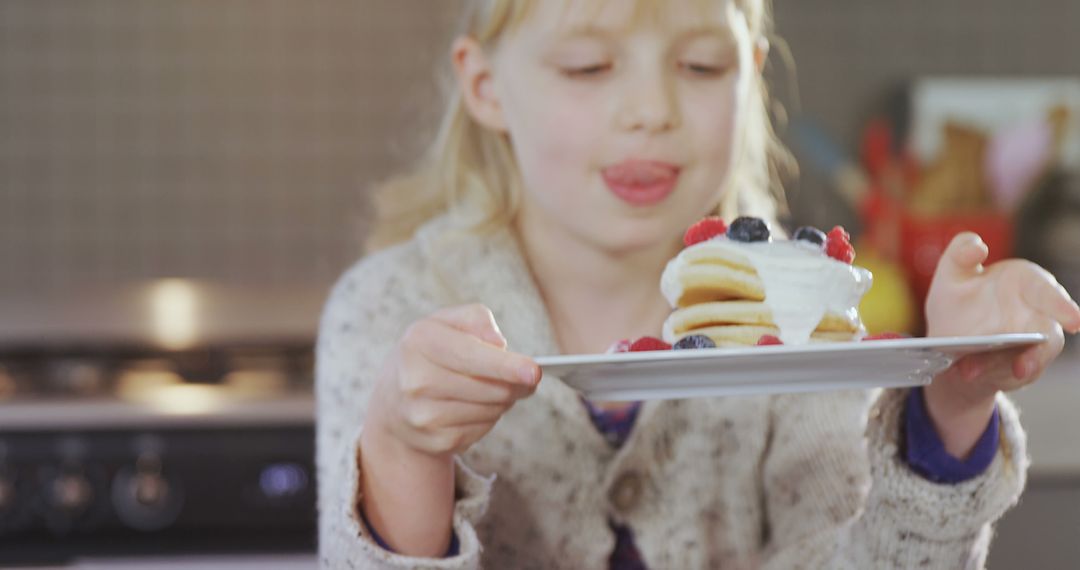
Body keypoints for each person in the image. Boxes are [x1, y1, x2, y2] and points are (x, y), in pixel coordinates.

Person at [315, 1, 1080, 568]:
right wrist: (404, 449)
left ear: (749, 73)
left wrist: (951, 404)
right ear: (485, 88)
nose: (652, 111)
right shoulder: (389, 307)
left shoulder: (803, 311)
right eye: (588, 66)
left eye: (702, 66)